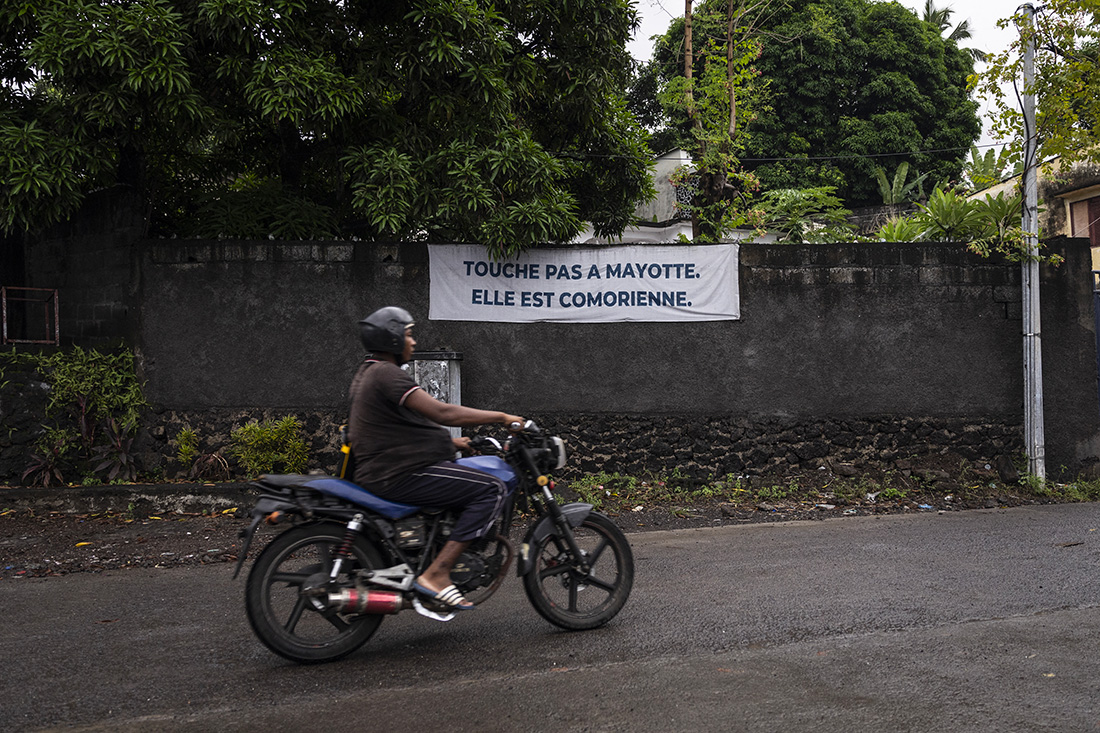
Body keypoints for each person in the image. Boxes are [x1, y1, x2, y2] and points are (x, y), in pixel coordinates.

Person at [348, 306, 524, 611]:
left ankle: (434, 556)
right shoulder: (387, 373)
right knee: (491, 488)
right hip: (399, 475)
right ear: (391, 339)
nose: (413, 342)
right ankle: (438, 573)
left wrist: (452, 441)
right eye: (408, 335)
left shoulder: (368, 372)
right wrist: (502, 416)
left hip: (383, 470)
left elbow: (397, 428)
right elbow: (442, 411)